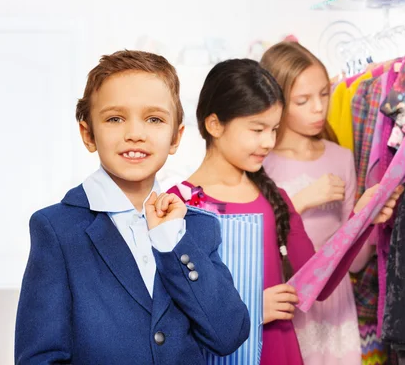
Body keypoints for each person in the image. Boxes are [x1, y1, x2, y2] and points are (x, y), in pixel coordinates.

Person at [14, 50, 250, 364]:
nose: (135, 134)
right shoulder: (57, 229)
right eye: (115, 118)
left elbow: (228, 335)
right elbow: (39, 358)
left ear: (176, 137)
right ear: (88, 134)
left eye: (154, 119)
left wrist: (172, 242)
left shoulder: (196, 228)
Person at [167, 58, 402, 365]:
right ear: (214, 125)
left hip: (281, 350)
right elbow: (171, 313)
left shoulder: (272, 197)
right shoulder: (177, 205)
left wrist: (362, 219)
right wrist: (251, 309)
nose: (268, 142)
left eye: (274, 129)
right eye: (257, 129)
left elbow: (317, 282)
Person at [260, 41, 374, 364]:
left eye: (324, 94)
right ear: (277, 101)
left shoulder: (341, 157)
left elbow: (355, 262)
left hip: (336, 304)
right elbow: (257, 246)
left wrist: (367, 217)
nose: (318, 108)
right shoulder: (260, 163)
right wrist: (300, 201)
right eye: (303, 100)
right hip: (289, 303)